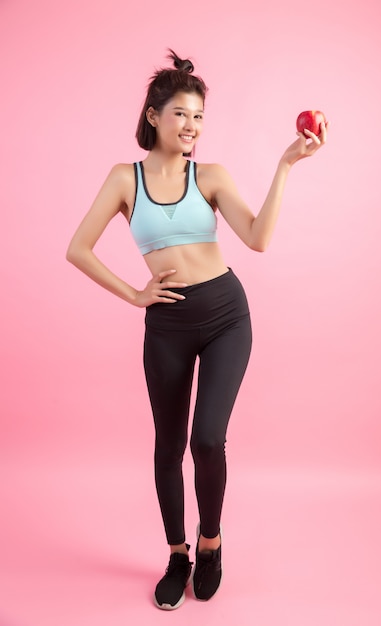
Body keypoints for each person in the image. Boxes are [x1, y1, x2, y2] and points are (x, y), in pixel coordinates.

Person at [66, 49, 328, 611]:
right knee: (169, 445)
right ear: (155, 115)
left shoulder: (208, 176)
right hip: (167, 323)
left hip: (225, 314)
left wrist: (285, 165)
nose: (192, 127)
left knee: (208, 438)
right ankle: (178, 554)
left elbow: (257, 237)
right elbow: (77, 250)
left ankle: (211, 543)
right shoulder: (123, 178)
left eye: (200, 117)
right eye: (182, 114)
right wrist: (135, 295)